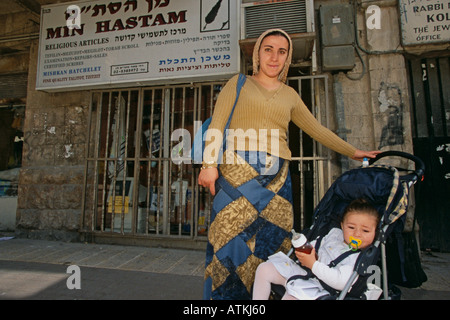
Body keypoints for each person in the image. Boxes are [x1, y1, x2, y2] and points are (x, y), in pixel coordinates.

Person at [198, 28, 381, 300]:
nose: (274, 57)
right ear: (258, 54)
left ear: (288, 58)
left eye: (281, 51)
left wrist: (354, 152)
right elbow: (217, 124)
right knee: (229, 240)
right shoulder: (238, 83)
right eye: (268, 49)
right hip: (236, 175)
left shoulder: (290, 95)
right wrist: (208, 165)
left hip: (277, 180)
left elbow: (318, 130)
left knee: (272, 243)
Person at [252, 198, 379, 300]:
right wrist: (306, 249)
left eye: (365, 230)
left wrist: (313, 265)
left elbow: (340, 282)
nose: (357, 234)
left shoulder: (359, 257)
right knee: (264, 269)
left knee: (292, 296)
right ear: (342, 225)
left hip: (321, 287)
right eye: (351, 227)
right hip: (305, 271)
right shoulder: (334, 234)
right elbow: (317, 243)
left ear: (375, 232)